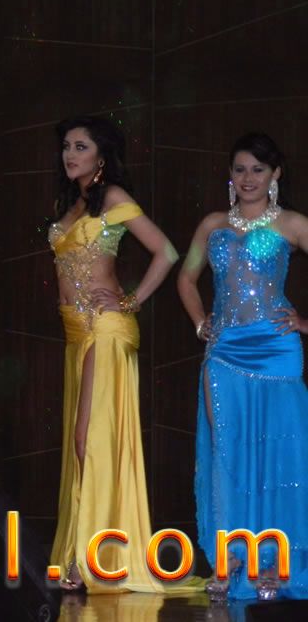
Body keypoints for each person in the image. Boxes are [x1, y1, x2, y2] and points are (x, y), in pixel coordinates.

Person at [48, 116, 182, 592]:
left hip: (106, 329)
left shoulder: (114, 198)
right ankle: (81, 557)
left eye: (81, 147)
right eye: (67, 146)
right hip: (75, 333)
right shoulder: (71, 204)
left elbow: (166, 252)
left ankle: (96, 559)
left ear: (101, 155)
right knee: (79, 445)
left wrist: (131, 300)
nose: (70, 154)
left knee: (89, 440)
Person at [178, 132, 308, 601]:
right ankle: (233, 556)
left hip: (277, 349)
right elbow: (186, 277)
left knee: (278, 454)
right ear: (229, 175)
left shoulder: (292, 224)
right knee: (227, 451)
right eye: (240, 169)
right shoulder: (212, 224)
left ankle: (276, 561)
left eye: (258, 169)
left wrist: (303, 323)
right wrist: (201, 323)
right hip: (224, 351)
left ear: (276, 174)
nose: (248, 178)